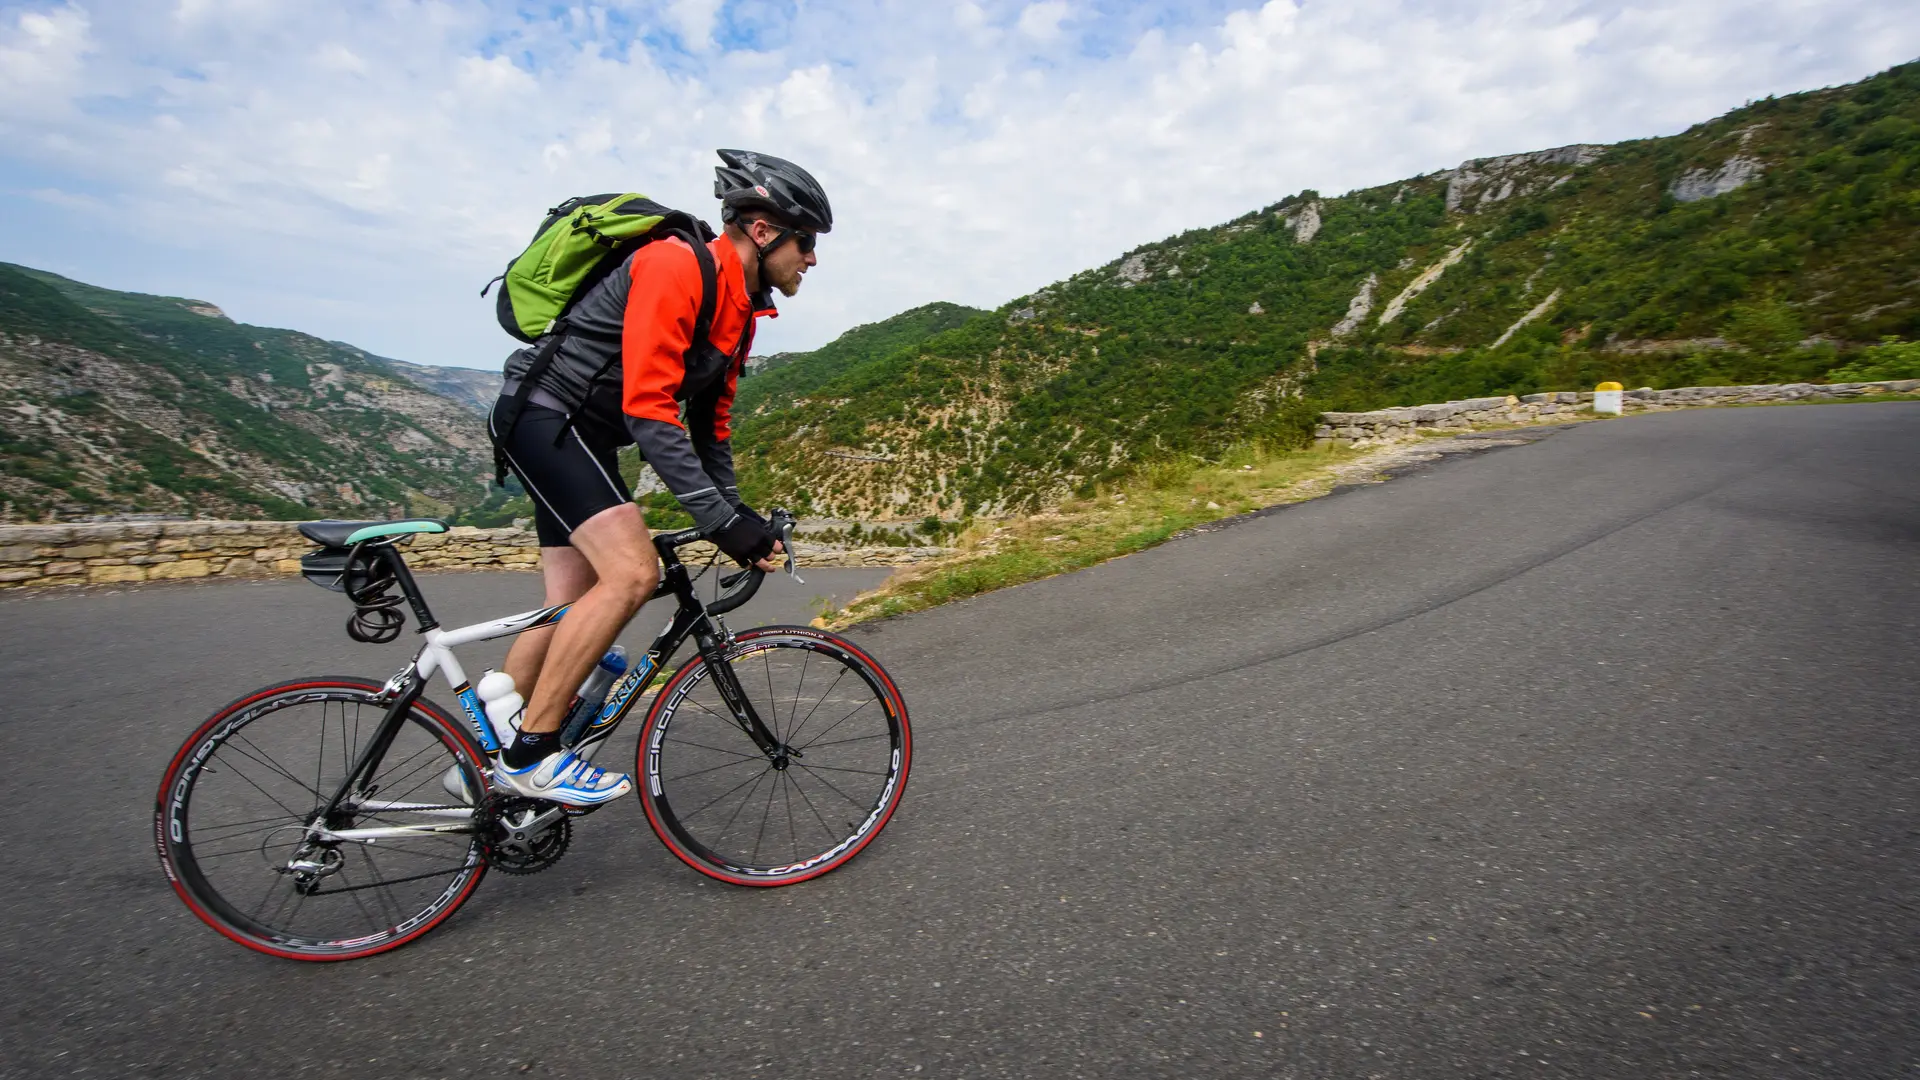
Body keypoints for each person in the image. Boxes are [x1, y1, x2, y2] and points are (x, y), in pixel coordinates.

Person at [484, 149, 831, 805]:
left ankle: (487, 767)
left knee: (568, 608)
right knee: (634, 574)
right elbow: (648, 408)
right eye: (806, 242)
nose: (811, 259)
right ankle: (531, 754)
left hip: (578, 434)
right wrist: (720, 523)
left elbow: (710, 430)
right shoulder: (677, 264)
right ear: (763, 230)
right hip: (544, 416)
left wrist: (738, 515)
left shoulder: (740, 311)